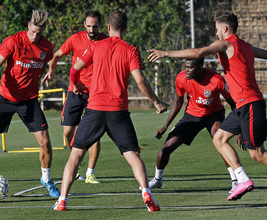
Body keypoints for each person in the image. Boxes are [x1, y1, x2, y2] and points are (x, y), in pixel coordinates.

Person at [51, 10, 168, 212]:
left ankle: (62, 200)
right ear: (126, 28)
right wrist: (156, 102)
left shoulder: (95, 46)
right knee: (132, 155)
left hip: (94, 109)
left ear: (107, 28)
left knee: (76, 155)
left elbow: (74, 69)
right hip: (118, 112)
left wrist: (75, 84)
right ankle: (146, 192)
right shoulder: (131, 50)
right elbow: (140, 80)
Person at [147, 11, 267, 201]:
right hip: (243, 106)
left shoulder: (227, 43)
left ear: (225, 29)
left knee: (257, 154)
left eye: (217, 29)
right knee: (218, 138)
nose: (216, 33)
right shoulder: (246, 46)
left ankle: (242, 180)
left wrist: (166, 53)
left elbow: (197, 53)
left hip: (250, 104)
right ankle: (242, 179)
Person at [0, 10, 60, 197]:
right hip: (5, 97)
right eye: (33, 31)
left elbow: (51, 60)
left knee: (46, 142)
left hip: (29, 101)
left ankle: (47, 179)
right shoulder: (13, 41)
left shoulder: (47, 47)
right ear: (28, 25)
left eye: (39, 33)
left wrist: (50, 71)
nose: (35, 36)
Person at [147, 57, 239, 194]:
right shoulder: (181, 78)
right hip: (191, 116)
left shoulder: (216, 79)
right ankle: (157, 179)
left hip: (214, 115)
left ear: (200, 66)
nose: (186, 70)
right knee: (165, 149)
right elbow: (178, 102)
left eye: (190, 67)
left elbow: (234, 104)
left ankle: (235, 181)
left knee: (219, 141)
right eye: (185, 67)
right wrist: (165, 126)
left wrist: (238, 129)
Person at [43, 10, 107, 183]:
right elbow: (56, 55)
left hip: (96, 94)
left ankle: (90, 172)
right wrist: (50, 71)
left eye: (95, 26)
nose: (92, 30)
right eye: (89, 26)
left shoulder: (105, 41)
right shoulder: (75, 39)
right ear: (84, 25)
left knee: (94, 134)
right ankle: (78, 158)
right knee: (67, 131)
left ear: (100, 25)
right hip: (75, 91)